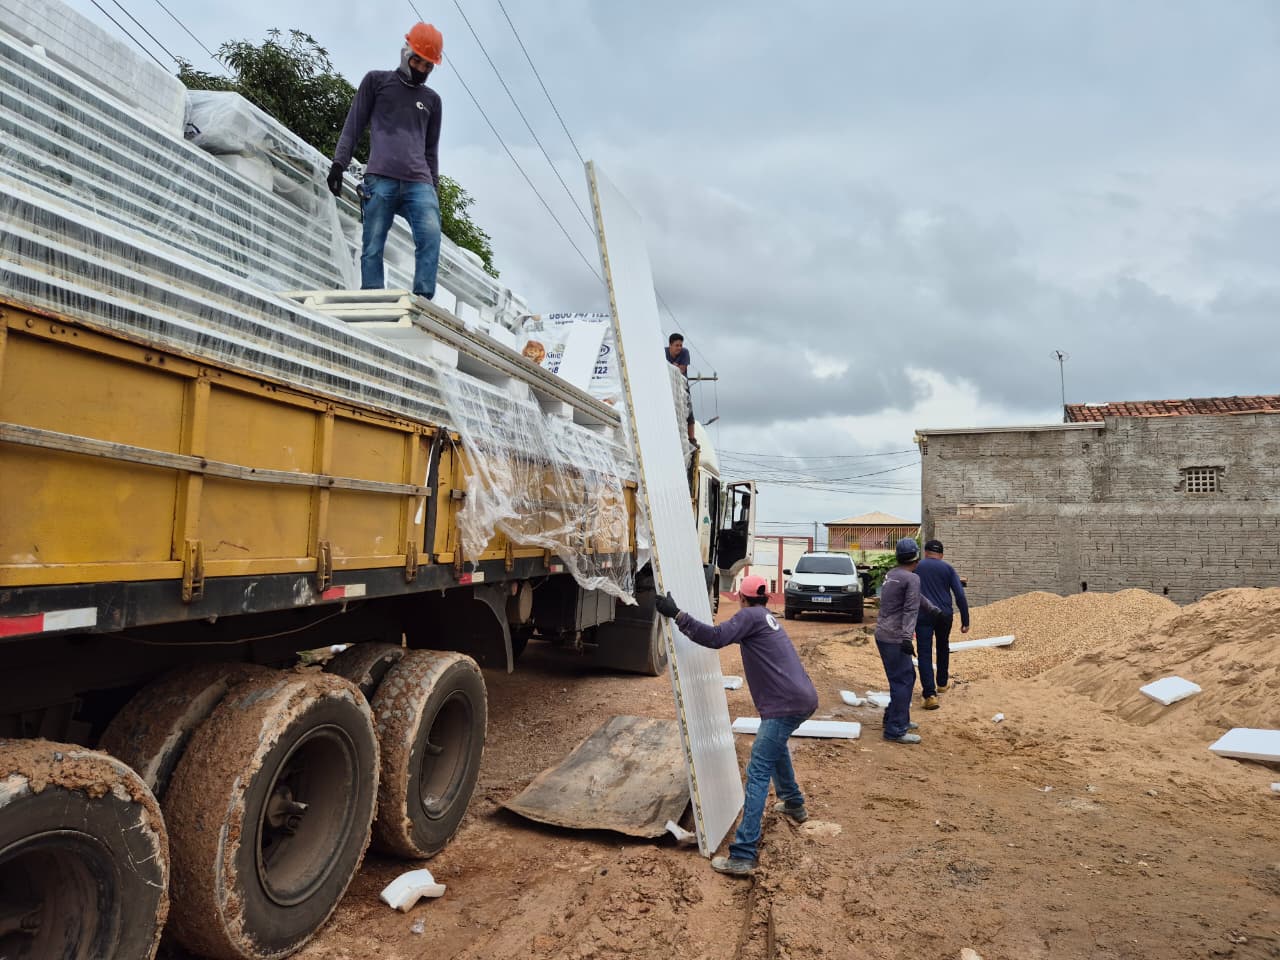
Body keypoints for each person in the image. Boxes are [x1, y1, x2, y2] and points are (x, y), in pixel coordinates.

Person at [655, 575, 817, 877]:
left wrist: (677, 614)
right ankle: (794, 803)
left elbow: (715, 638)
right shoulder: (766, 617)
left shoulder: (750, 616)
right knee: (775, 749)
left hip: (785, 705)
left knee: (757, 772)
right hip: (800, 698)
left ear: (742, 599)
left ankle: (743, 855)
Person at [328, 23, 444, 300]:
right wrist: (338, 164)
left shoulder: (432, 100)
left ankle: (423, 300)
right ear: (406, 53)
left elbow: (431, 151)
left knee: (430, 236)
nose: (422, 70)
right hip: (380, 178)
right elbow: (353, 125)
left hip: (420, 182)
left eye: (429, 66)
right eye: (418, 61)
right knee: (373, 243)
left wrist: (434, 190)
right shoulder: (376, 82)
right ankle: (372, 297)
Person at [874, 538, 942, 744]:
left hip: (883, 635)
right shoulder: (912, 578)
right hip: (895, 638)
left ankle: (895, 718)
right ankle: (895, 729)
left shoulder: (893, 575)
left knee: (905, 678)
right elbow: (910, 608)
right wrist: (906, 638)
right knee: (903, 681)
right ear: (917, 559)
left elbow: (916, 598)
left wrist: (933, 610)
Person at [914, 539, 970, 709]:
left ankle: (930, 694)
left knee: (924, 652)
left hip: (923, 614)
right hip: (944, 614)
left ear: (926, 553)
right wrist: (965, 620)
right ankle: (942, 683)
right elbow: (960, 595)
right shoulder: (948, 568)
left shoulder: (916, 567)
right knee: (943, 646)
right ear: (942, 555)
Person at [665, 334, 696, 442]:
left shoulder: (684, 352)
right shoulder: (663, 353)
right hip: (668, 386)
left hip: (682, 387)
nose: (679, 348)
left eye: (680, 345)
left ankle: (692, 439)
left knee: (689, 412)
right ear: (670, 345)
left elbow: (681, 370)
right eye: (676, 345)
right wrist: (674, 367)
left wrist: (672, 367)